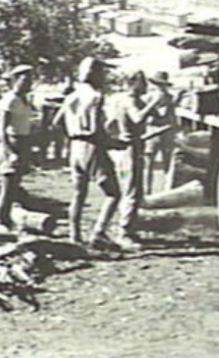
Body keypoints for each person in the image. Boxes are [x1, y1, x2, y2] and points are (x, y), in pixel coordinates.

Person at [58, 56, 119, 247]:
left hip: (74, 147)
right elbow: (95, 130)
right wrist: (113, 143)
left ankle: (74, 234)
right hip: (92, 147)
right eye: (103, 72)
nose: (105, 77)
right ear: (95, 74)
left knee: (79, 193)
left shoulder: (72, 96)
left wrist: (71, 135)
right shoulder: (95, 97)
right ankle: (99, 232)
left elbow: (56, 122)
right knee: (113, 193)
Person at [107, 70, 154, 249]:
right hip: (130, 150)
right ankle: (124, 233)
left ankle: (129, 228)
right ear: (133, 83)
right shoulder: (130, 101)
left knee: (134, 190)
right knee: (131, 192)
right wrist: (154, 102)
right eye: (143, 83)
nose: (146, 87)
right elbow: (137, 117)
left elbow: (110, 124)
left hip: (132, 146)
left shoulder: (127, 101)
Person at [0, 64, 36, 232]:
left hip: (23, 142)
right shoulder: (10, 99)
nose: (28, 84)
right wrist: (10, 152)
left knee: (15, 186)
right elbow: (1, 129)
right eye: (24, 80)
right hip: (11, 143)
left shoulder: (24, 100)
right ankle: (0, 222)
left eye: (30, 80)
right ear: (15, 80)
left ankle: (10, 219)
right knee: (7, 186)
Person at [143, 71, 178, 196]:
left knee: (158, 164)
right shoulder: (165, 98)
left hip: (158, 132)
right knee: (154, 163)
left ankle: (160, 190)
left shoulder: (163, 98)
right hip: (156, 132)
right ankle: (150, 190)